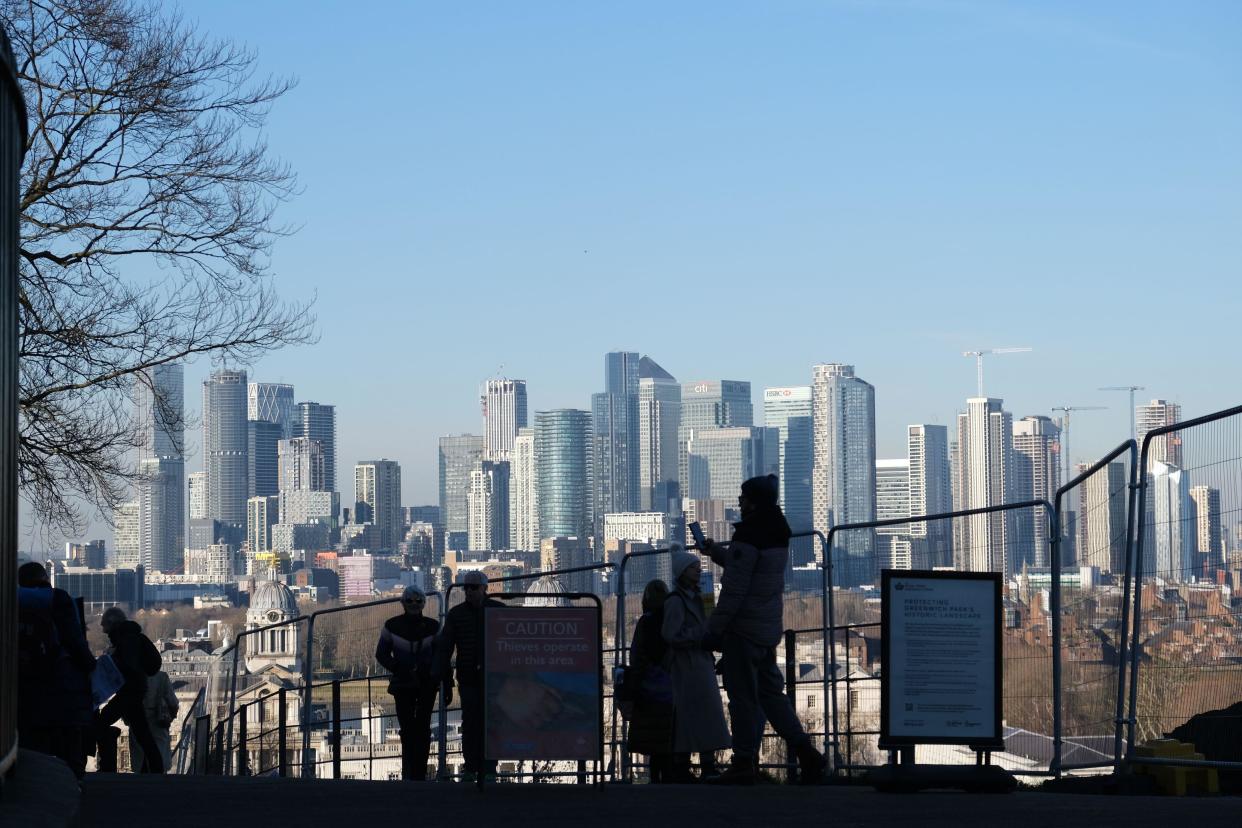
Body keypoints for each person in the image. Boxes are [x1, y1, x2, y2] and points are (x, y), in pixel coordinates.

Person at [701, 474, 826, 785]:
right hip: (767, 627)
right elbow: (750, 570)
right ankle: (806, 752)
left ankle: (743, 762)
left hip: (743, 631)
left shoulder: (748, 534)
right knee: (772, 695)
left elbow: (735, 589)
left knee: (742, 698)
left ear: (753, 501)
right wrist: (717, 552)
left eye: (743, 498)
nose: (740, 502)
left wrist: (713, 631)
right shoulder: (775, 532)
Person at [16, 562, 96, 778]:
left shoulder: (13, 601)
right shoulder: (58, 601)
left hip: (24, 687)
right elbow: (75, 643)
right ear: (45, 578)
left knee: (31, 748)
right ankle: (73, 785)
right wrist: (92, 667)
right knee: (69, 746)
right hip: (62, 686)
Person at [662, 550, 730, 782]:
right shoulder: (677, 601)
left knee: (698, 714)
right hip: (689, 664)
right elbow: (670, 634)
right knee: (698, 714)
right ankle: (699, 764)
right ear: (682, 572)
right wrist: (701, 633)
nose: (699, 570)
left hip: (696, 663)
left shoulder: (694, 598)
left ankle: (691, 764)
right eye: (693, 567)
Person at [433, 571, 503, 783]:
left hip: (495, 679)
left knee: (492, 723)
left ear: (484, 588)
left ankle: (490, 768)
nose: (469, 591)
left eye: (473, 587)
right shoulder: (457, 614)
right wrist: (445, 679)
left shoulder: (498, 611)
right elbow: (445, 649)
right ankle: (471, 768)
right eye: (466, 588)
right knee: (471, 723)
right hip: (469, 678)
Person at [375, 585, 441, 781]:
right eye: (411, 601)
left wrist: (397, 667)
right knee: (416, 728)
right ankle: (415, 772)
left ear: (423, 603)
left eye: (418, 601)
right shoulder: (433, 626)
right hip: (419, 683)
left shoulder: (393, 625)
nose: (414, 604)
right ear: (403, 603)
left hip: (412, 683)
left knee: (416, 728)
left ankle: (412, 772)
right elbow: (441, 656)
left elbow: (382, 654)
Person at [95, 607, 165, 773]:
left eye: (105, 625)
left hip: (129, 691)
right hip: (135, 690)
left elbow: (128, 665)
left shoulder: (126, 640)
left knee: (102, 722)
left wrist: (112, 666)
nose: (104, 630)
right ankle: (154, 768)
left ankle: (108, 766)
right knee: (142, 732)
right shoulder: (131, 637)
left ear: (112, 623)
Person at [618, 579, 675, 782]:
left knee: (652, 741)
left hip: (649, 691)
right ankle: (670, 777)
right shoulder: (671, 620)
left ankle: (655, 780)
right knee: (667, 740)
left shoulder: (645, 622)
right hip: (671, 690)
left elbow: (636, 656)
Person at [130, 670, 178, 774]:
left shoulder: (132, 675)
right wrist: (170, 718)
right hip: (158, 720)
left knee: (139, 755)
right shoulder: (162, 677)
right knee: (159, 753)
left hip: (137, 719)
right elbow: (173, 702)